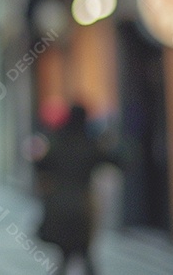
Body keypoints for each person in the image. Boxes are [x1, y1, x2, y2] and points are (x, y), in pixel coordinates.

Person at [34, 104, 118, 275]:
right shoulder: (90, 144)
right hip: (82, 205)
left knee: (66, 252)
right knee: (83, 250)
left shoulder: (56, 141)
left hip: (58, 202)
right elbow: (117, 160)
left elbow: (40, 165)